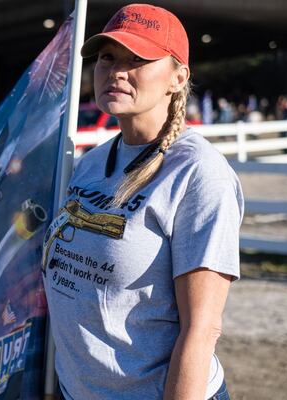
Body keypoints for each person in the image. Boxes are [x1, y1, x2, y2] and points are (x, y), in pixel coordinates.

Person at [43, 4, 242, 400]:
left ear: (178, 76)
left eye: (138, 60)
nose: (116, 71)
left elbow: (201, 328)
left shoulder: (198, 173)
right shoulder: (90, 164)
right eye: (107, 58)